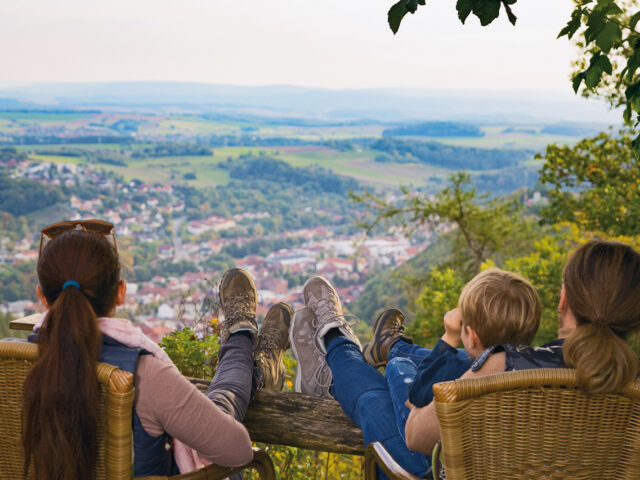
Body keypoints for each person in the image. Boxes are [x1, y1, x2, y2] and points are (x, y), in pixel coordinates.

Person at [20, 220, 292, 480]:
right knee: (220, 402)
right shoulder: (142, 376)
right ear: (120, 292)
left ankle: (248, 346)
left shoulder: (11, 366)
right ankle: (245, 341)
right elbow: (238, 449)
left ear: (42, 297)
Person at [290, 268, 541, 479]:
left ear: (471, 335)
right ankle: (373, 346)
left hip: (429, 466)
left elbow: (417, 404)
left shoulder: (464, 381)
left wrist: (449, 337)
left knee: (386, 384)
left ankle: (336, 349)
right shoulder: (545, 372)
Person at [404, 239, 640, 455]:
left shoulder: (506, 366)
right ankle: (397, 350)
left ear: (563, 300)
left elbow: (416, 438)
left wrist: (416, 410)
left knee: (376, 386)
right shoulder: (633, 384)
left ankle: (390, 354)